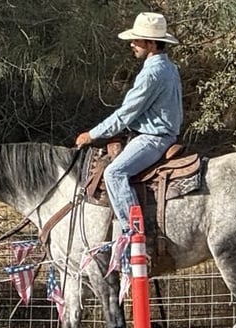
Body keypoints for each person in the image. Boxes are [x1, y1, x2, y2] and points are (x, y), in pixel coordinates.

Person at [75, 12, 182, 235]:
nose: (132, 44)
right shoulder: (169, 67)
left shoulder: (152, 73)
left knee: (114, 173)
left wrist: (92, 135)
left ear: (151, 43)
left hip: (152, 139)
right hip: (163, 135)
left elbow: (126, 114)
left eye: (137, 40)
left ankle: (133, 234)